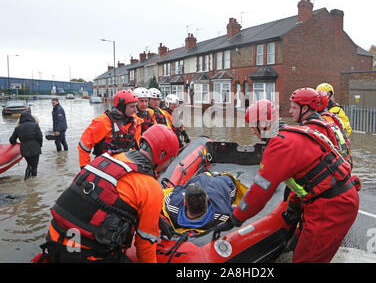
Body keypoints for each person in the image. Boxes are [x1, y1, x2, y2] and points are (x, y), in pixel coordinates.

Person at [215, 123, 359, 263]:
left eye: (253, 127)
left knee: (305, 259)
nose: (252, 132)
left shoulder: (279, 146)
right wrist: (293, 205)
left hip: (331, 206)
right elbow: (305, 176)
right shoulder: (293, 134)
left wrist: (235, 219)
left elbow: (259, 192)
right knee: (300, 247)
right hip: (334, 198)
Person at [40, 124, 180, 263]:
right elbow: (145, 245)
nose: (168, 164)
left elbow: (111, 199)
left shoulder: (111, 157)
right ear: (162, 155)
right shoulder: (151, 187)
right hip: (82, 254)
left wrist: (157, 219)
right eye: (170, 159)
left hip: (53, 239)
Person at [77, 90, 143, 170]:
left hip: (125, 165)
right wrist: (84, 168)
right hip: (105, 166)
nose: (135, 110)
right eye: (132, 106)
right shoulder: (102, 122)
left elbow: (137, 146)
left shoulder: (135, 122)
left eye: (136, 106)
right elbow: (84, 146)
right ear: (121, 107)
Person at [289, 88, 351, 164]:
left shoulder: (313, 129)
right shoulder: (325, 122)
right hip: (344, 164)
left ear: (305, 108)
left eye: (294, 108)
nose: (290, 111)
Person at [162, 172, 237, 232]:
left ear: (185, 202)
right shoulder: (222, 213)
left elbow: (174, 191)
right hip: (218, 184)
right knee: (228, 180)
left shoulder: (173, 206)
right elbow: (234, 212)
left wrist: (180, 188)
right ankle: (215, 175)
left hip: (199, 179)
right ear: (207, 198)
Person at [9, 111, 43, 179]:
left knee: (29, 164)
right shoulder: (35, 125)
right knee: (34, 166)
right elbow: (40, 137)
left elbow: (12, 140)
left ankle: (26, 179)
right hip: (35, 148)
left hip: (24, 149)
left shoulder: (18, 128)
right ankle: (33, 182)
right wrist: (40, 145)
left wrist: (16, 144)